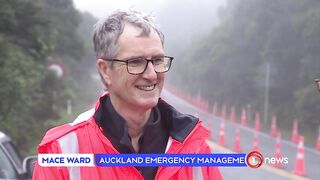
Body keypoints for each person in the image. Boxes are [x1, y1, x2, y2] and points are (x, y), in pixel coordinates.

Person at [33, 10, 223, 180]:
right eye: (136, 62)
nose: (151, 74)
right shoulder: (63, 151)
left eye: (157, 60)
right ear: (106, 70)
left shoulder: (193, 145)